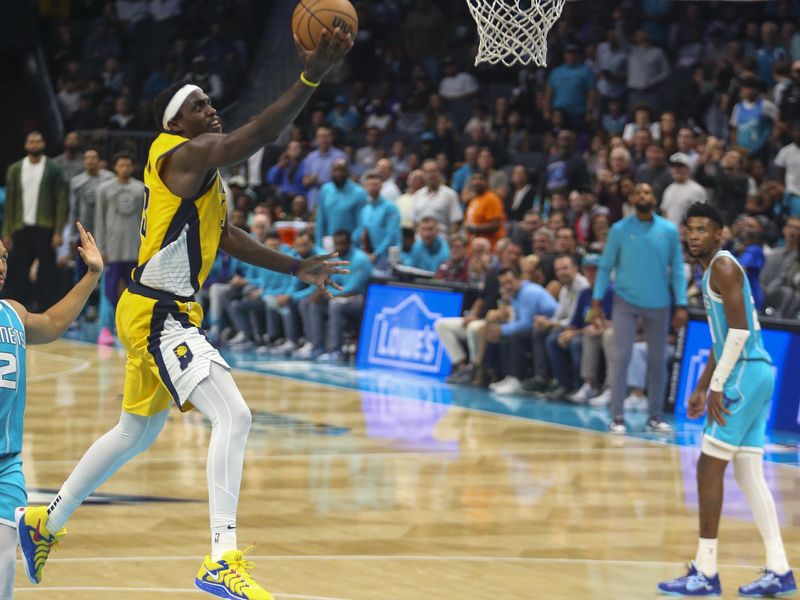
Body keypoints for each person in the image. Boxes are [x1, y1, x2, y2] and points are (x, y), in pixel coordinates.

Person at [16, 29, 353, 600]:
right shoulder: (171, 153)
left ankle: (44, 521)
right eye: (198, 104)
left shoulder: (204, 180)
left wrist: (295, 267)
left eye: (209, 100)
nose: (211, 108)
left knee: (133, 434)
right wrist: (309, 76)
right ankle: (222, 558)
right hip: (158, 313)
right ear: (177, 123)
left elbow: (228, 237)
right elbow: (261, 133)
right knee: (235, 415)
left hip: (157, 309)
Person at [658, 203, 796, 598]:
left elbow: (738, 334)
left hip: (745, 372)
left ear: (720, 234)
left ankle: (705, 570)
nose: (696, 235)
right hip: (754, 371)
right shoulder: (713, 269)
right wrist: (702, 385)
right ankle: (779, 569)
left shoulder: (722, 265)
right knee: (749, 474)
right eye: (691, 229)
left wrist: (717, 386)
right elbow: (723, 337)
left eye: (705, 229)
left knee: (707, 467)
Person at [0, 225, 100, 598]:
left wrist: (92, 275)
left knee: (4, 575)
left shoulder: (13, 313)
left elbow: (55, 324)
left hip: (6, 466)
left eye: (4, 257)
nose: (1, 265)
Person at [590, 183, 687, 434]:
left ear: (654, 197)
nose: (644, 196)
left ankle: (655, 416)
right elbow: (605, 266)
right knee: (621, 357)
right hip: (626, 300)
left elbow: (677, 267)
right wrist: (597, 299)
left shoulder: (668, 230)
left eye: (648, 192)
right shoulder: (619, 230)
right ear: (632, 198)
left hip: (660, 302)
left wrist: (682, 303)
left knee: (658, 360)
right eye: (639, 193)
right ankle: (617, 416)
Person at [2, 131, 68, 311]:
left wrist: (58, 232)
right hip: (20, 225)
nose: (35, 144)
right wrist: (6, 231)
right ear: (26, 145)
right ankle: (14, 306)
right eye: (31, 141)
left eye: (38, 141)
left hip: (45, 227)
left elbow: (61, 201)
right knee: (17, 268)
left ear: (43, 144)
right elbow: (10, 203)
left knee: (47, 269)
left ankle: (46, 307)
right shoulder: (15, 169)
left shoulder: (53, 168)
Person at [93, 152, 145, 344]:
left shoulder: (141, 189)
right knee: (109, 290)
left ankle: (131, 327)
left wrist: (145, 248)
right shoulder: (104, 189)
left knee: (135, 291)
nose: (124, 168)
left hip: (135, 248)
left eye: (128, 165)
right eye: (121, 165)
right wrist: (101, 248)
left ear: (133, 167)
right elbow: (99, 219)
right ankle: (106, 328)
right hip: (112, 249)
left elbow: (145, 220)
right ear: (115, 167)